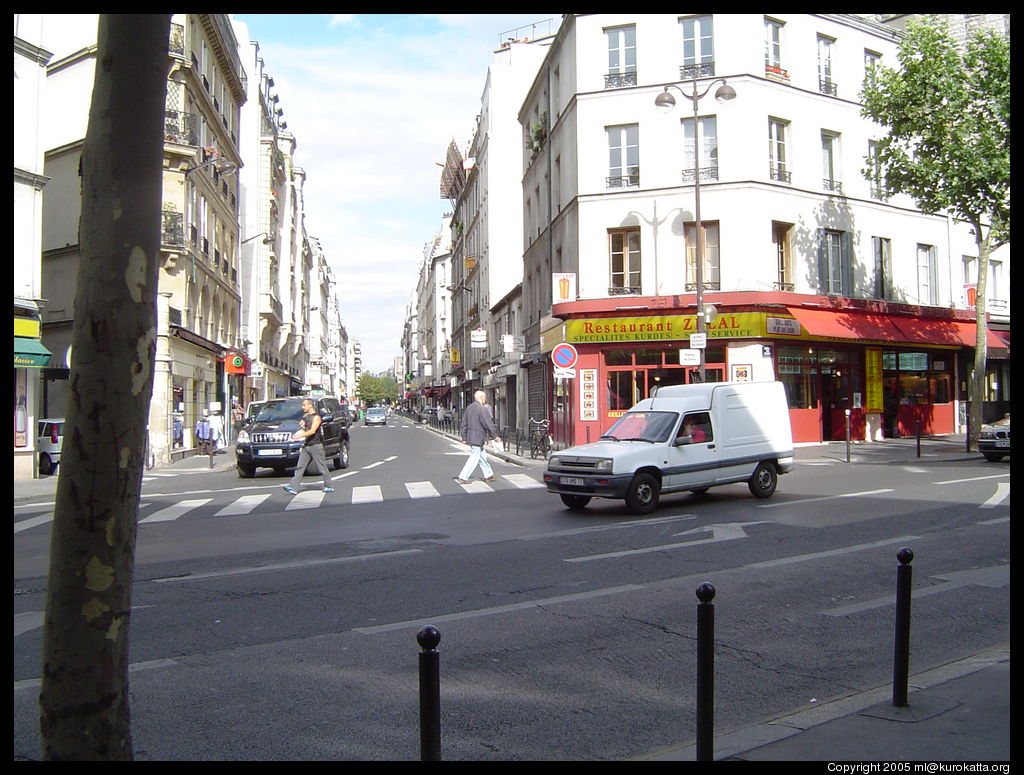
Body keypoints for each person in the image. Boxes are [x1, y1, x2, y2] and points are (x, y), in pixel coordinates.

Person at [283, 398, 335, 494]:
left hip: (315, 445)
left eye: (304, 405)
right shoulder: (306, 416)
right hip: (306, 445)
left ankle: (329, 485)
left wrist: (299, 436)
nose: (302, 407)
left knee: (321, 466)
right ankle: (293, 487)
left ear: (310, 405)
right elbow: (305, 428)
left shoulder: (316, 417)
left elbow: (312, 431)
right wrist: (302, 426)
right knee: (300, 467)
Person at [455, 390, 501, 484]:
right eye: (484, 397)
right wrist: (494, 436)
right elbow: (488, 423)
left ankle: (488, 475)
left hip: (472, 436)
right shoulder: (482, 408)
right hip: (478, 437)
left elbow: (464, 423)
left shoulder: (469, 408)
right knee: (474, 458)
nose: (485, 399)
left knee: (482, 456)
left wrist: (464, 437)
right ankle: (463, 476)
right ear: (482, 397)